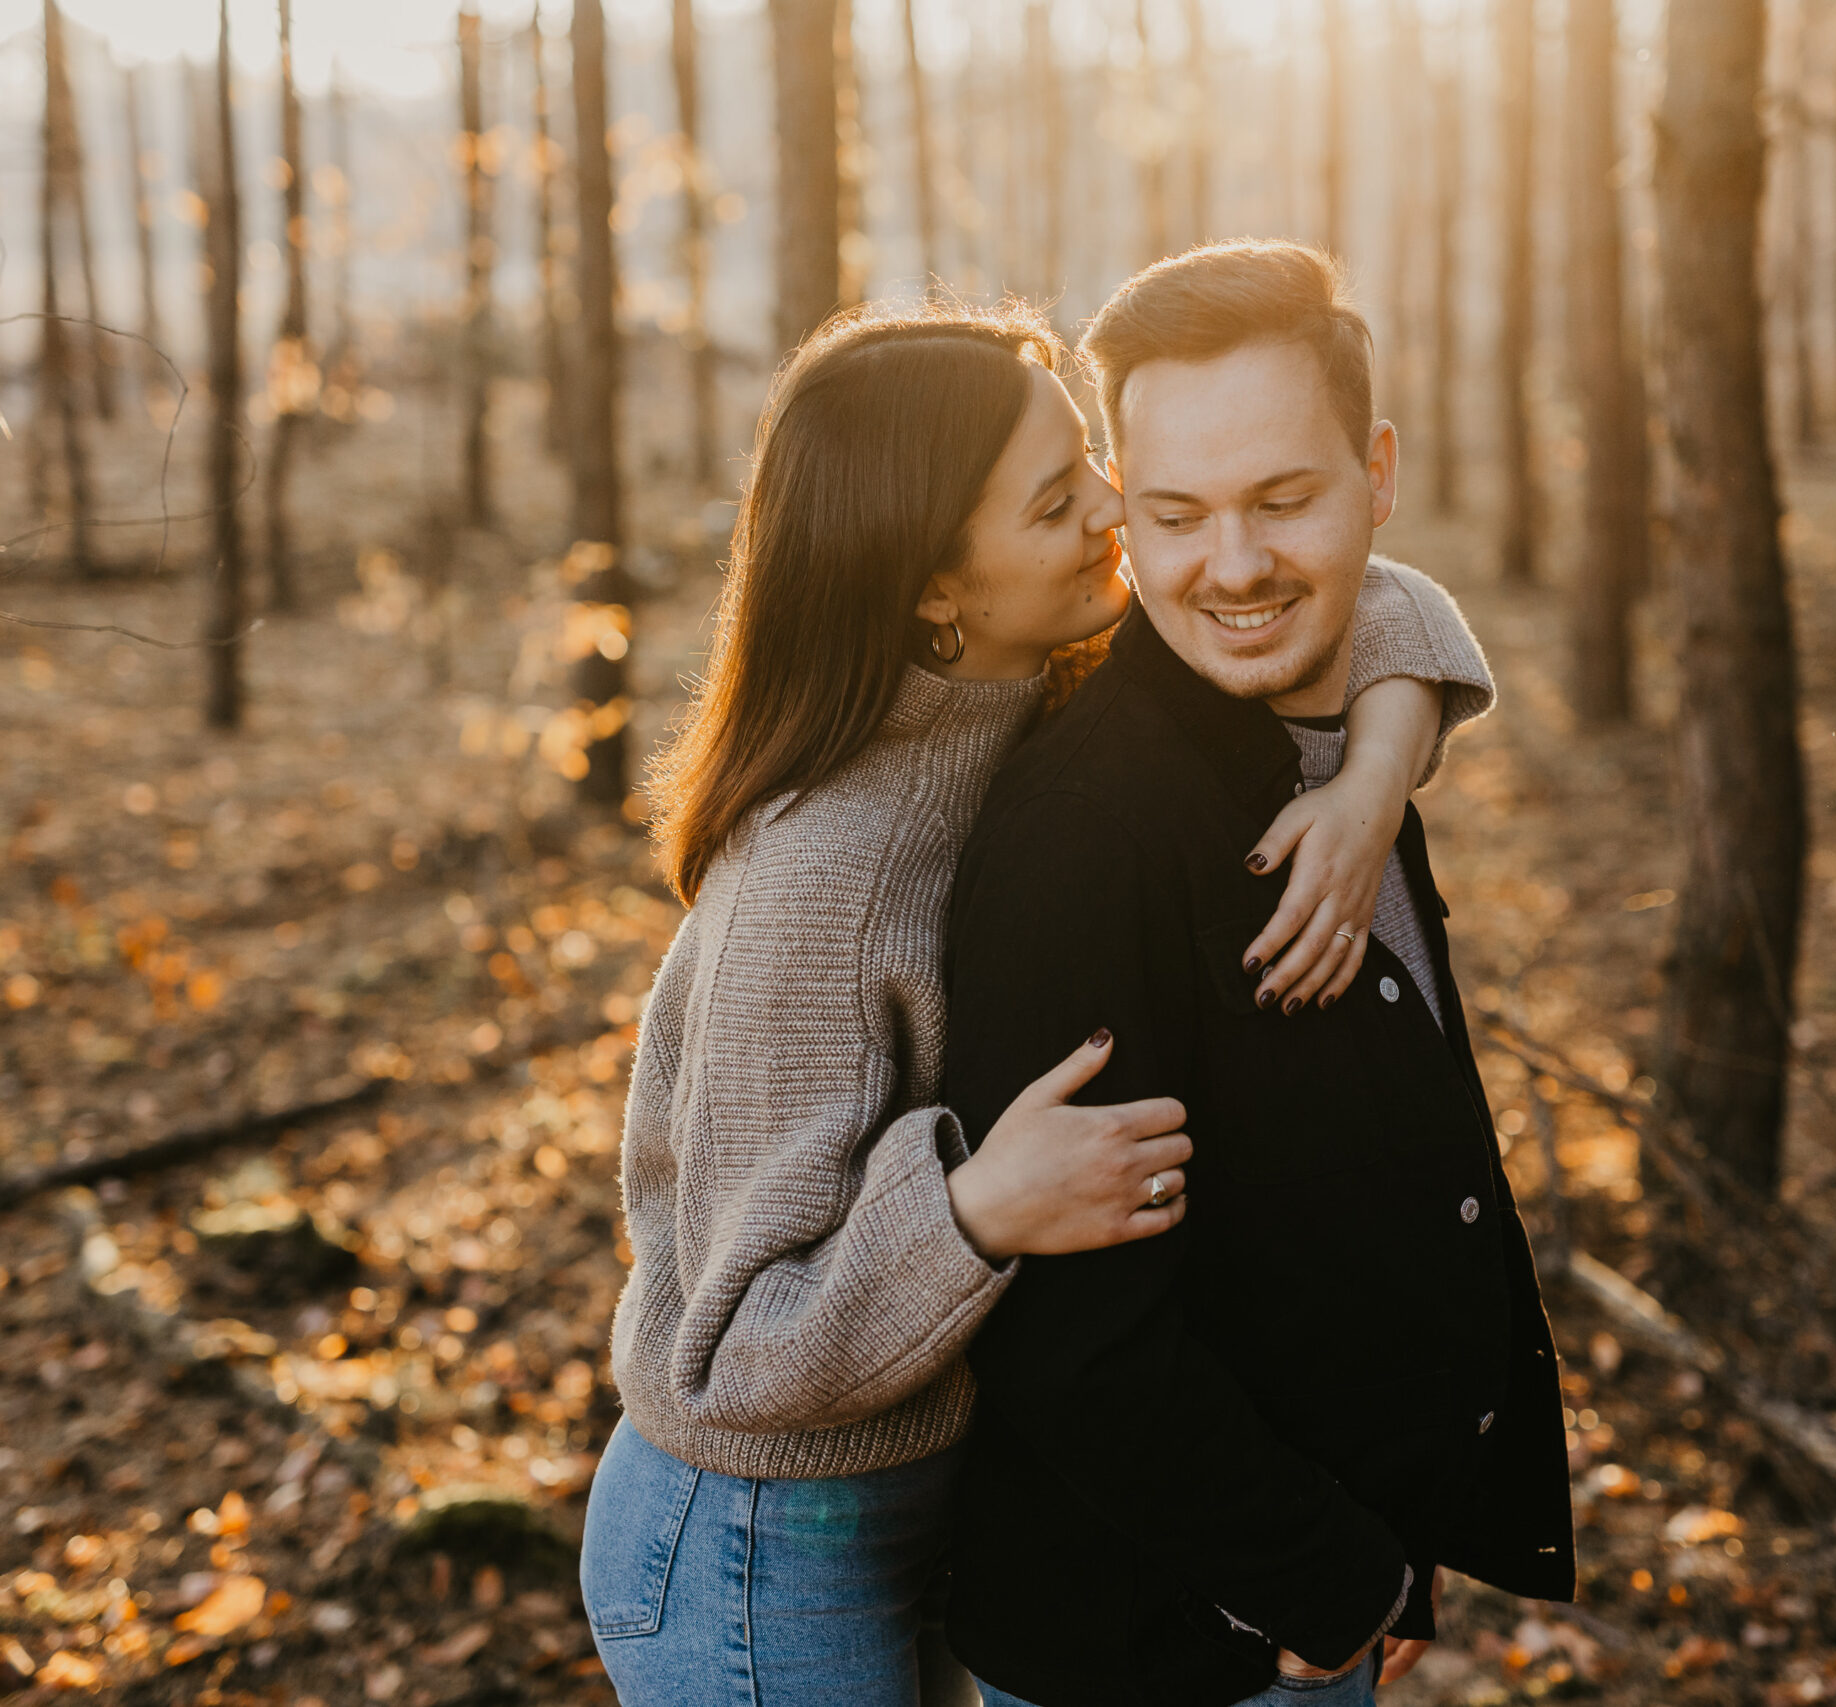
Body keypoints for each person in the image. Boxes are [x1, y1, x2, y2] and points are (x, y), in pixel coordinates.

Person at [578, 298, 1499, 1707]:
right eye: (1065, 499)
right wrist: (972, 1215)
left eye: (1100, 470)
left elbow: (1376, 594)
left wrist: (1375, 775)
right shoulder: (815, 884)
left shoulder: (1027, 687)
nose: (1123, 517)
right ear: (936, 585)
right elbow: (728, 1359)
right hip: (758, 1539)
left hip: (909, 1495)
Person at [940, 243, 1576, 1707]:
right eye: (1176, 515)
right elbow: (1070, 1336)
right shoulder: (1087, 833)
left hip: (1307, 1595)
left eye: (1284, 500)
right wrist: (1330, 1574)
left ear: (1378, 474)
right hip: (1165, 1647)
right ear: (1122, 516)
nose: (1231, 568)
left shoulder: (1344, 737)